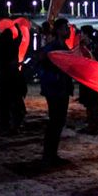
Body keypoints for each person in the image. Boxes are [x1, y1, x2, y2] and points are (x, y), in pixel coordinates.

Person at [38, 18, 73, 166]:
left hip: (61, 88)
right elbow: (42, 62)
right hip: (55, 89)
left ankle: (52, 154)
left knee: (58, 122)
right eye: (66, 28)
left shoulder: (62, 46)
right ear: (58, 30)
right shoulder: (52, 47)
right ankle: (49, 155)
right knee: (55, 122)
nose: (69, 31)